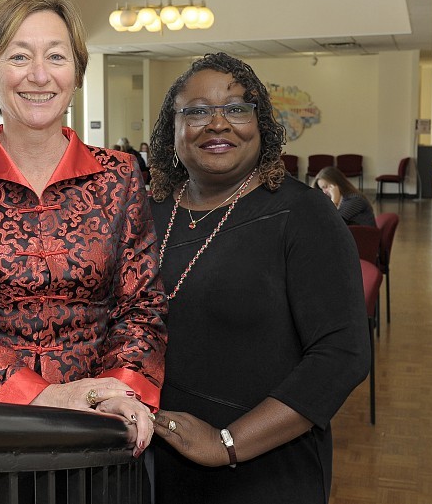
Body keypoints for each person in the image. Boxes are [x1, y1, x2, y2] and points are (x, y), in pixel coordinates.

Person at [0, 0, 167, 503]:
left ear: (75, 72)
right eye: (19, 56)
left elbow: (142, 305)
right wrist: (45, 394)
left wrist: (118, 391)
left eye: (56, 56)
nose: (40, 74)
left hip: (97, 431)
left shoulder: (119, 176)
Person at [147, 53, 370, 504]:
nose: (217, 124)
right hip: (153, 461)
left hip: (261, 466)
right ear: (171, 129)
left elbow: (341, 354)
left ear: (261, 124)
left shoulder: (302, 214)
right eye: (195, 111)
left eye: (235, 108)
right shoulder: (149, 210)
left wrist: (227, 442)